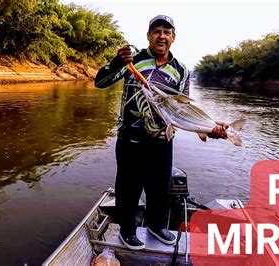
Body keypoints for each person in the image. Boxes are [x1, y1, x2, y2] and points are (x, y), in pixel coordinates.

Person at [94, 15, 227, 250]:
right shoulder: (132, 60)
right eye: (157, 31)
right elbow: (100, 82)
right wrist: (117, 61)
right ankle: (127, 230)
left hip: (161, 142)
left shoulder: (181, 71)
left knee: (160, 189)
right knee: (127, 188)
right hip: (130, 140)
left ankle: (157, 226)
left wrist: (208, 127)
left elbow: (184, 109)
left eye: (167, 31)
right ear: (148, 36)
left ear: (173, 38)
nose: (162, 36)